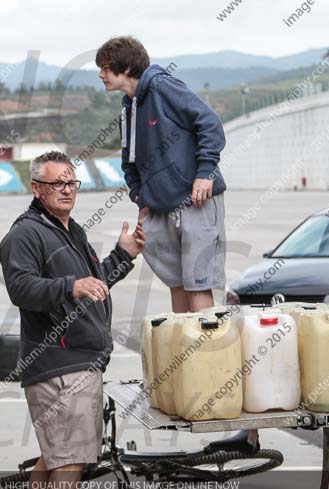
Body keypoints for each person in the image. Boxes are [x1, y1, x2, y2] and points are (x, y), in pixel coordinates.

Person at [96, 36, 258, 452]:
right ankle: (190, 376)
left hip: (196, 198)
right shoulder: (129, 103)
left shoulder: (163, 86)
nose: (101, 75)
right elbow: (129, 160)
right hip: (160, 206)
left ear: (125, 67)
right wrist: (139, 196)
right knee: (177, 285)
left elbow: (210, 124)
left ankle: (211, 378)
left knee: (200, 285)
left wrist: (204, 172)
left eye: (105, 68)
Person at [0, 151, 145, 489]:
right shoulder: (25, 234)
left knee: (55, 456)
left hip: (80, 360)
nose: (66, 190)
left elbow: (92, 284)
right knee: (69, 461)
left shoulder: (69, 230)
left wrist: (123, 256)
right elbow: (21, 288)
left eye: (70, 183)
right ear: (37, 188)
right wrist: (71, 285)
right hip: (59, 363)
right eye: (56, 184)